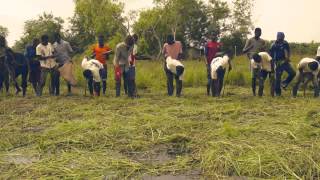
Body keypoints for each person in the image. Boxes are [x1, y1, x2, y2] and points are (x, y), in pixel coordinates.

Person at [270, 32, 296, 96]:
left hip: (285, 62)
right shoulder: (273, 45)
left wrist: (288, 58)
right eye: (280, 37)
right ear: (277, 37)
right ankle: (278, 93)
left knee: (293, 73)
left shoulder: (285, 43)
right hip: (278, 63)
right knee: (278, 78)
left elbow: (288, 51)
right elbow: (271, 56)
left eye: (283, 37)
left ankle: (284, 83)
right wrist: (272, 66)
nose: (282, 38)